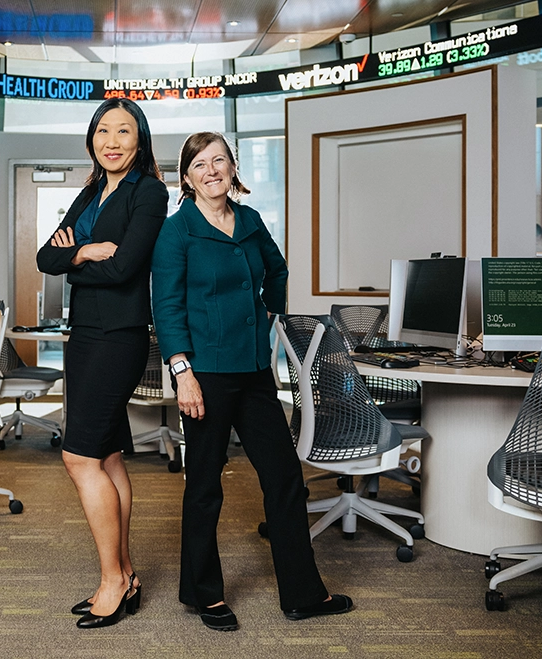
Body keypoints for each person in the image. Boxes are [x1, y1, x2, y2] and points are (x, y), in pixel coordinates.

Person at [151, 131, 353, 631]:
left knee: (284, 479)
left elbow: (277, 271)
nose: (212, 169)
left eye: (220, 160)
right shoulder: (177, 232)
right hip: (206, 375)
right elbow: (167, 308)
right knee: (204, 485)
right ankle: (203, 594)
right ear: (187, 177)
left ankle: (303, 594)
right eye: (200, 163)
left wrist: (270, 312)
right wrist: (183, 373)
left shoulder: (251, 220)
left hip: (255, 373)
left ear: (233, 168)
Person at [36, 98, 168, 629]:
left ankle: (111, 581)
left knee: (78, 457)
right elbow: (47, 258)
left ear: (140, 140)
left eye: (124, 131)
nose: (112, 140)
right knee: (108, 456)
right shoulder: (91, 191)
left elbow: (127, 269)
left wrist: (77, 257)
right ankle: (127, 573)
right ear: (92, 138)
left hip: (119, 335)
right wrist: (88, 253)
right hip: (84, 335)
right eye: (103, 131)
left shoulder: (150, 191)